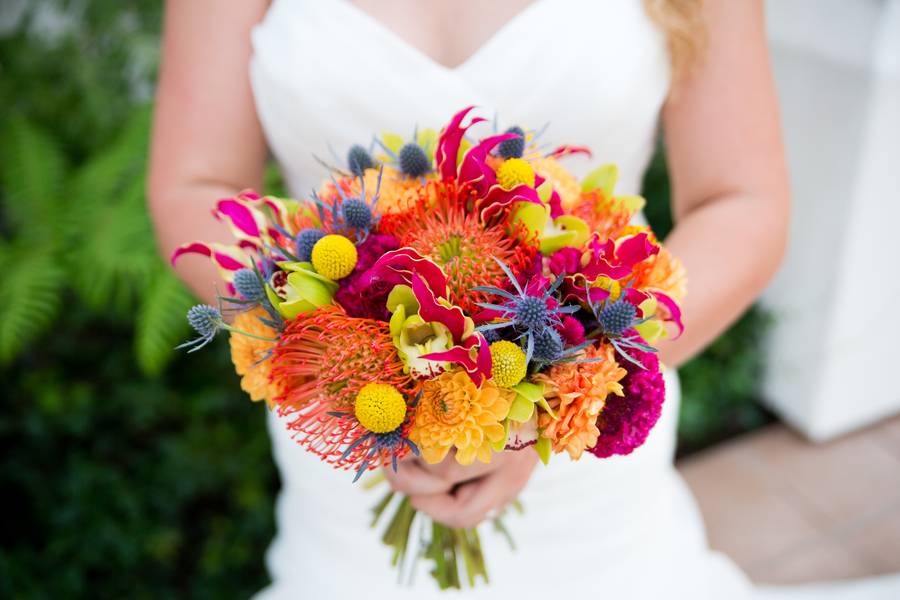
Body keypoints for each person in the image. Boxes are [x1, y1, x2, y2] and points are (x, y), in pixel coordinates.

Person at [148, 1, 899, 597]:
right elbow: (193, 184)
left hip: (590, 466)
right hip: (348, 440)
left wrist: (564, 382)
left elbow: (744, 202)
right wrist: (344, 348)